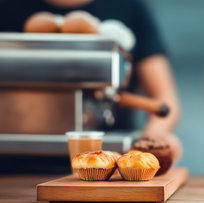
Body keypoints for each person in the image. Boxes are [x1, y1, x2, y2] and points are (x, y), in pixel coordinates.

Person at [0, 0, 182, 161]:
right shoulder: (7, 10)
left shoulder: (130, 8)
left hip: (113, 164)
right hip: (15, 167)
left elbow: (164, 96)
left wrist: (156, 132)